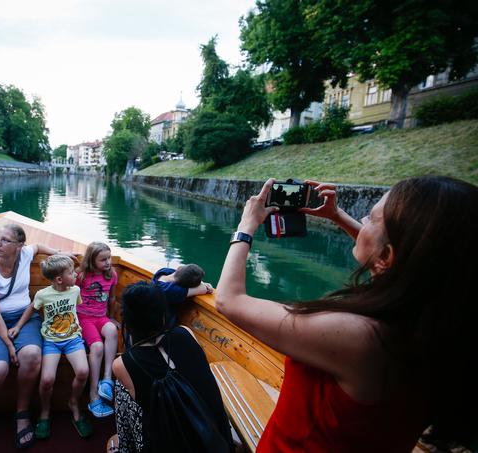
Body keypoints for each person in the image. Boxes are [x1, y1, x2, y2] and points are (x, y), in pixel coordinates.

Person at [215, 176, 478, 452]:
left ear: (387, 256)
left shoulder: (360, 337)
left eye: (371, 218)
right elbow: (408, 264)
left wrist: (246, 225)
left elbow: (228, 300)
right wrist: (337, 216)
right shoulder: (439, 323)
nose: (362, 220)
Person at [0, 223, 76, 449]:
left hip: (24, 318)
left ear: (19, 246)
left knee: (32, 355)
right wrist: (8, 344)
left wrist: (58, 253)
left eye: (5, 240)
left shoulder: (25, 254)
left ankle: (22, 411)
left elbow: (36, 246)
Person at [111, 281, 234, 452]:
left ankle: (125, 448)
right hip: (215, 438)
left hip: (170, 444)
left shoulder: (122, 364)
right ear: (162, 315)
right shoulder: (186, 333)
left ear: (128, 320)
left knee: (122, 390)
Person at [9, 254, 92, 440]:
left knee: (83, 371)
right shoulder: (43, 295)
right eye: (71, 272)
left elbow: (75, 311)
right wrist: (18, 326)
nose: (76, 275)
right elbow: (31, 308)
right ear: (59, 279)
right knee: (46, 379)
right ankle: (45, 411)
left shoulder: (75, 290)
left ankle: (74, 403)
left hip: (73, 339)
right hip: (51, 342)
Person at [75, 241, 118, 418]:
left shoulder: (111, 275)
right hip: (84, 319)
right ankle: (93, 395)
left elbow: (112, 298)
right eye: (103, 259)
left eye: (109, 258)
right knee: (97, 346)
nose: (108, 262)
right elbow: (70, 296)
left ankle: (107, 379)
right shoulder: (81, 276)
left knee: (112, 331)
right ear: (92, 260)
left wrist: (112, 317)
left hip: (101, 317)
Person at [152, 264, 214, 329]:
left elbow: (183, 274)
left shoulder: (163, 272)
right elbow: (204, 289)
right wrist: (204, 284)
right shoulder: (170, 290)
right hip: (162, 328)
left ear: (179, 268)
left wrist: (201, 282)